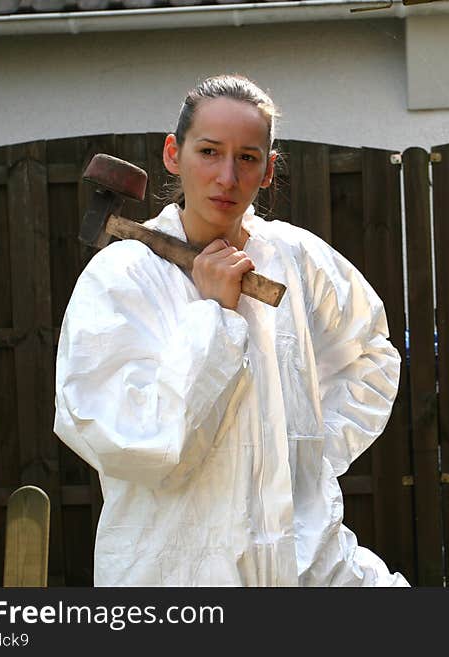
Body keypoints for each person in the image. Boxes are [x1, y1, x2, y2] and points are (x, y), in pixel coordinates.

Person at [53, 74, 409, 587]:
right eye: (209, 152)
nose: (227, 176)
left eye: (247, 157)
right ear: (174, 155)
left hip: (307, 564)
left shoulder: (295, 258)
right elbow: (132, 439)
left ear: (267, 170)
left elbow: (369, 353)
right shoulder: (122, 278)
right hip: (177, 574)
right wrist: (215, 316)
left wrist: (305, 453)